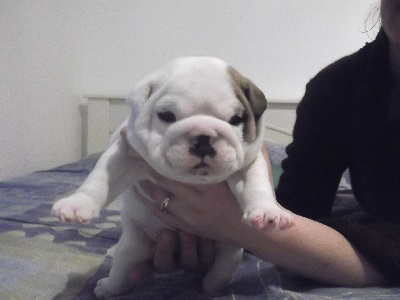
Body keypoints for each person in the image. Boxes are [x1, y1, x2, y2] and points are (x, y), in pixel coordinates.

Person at [123, 0, 399, 286]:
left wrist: (240, 228)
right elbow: (301, 207)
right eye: (169, 115)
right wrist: (237, 212)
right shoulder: (337, 86)